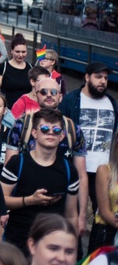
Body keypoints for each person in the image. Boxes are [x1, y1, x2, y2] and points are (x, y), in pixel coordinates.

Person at [0, 109, 80, 254]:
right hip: (16, 241)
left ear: (62, 136)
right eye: (44, 129)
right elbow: (0, 200)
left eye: (56, 130)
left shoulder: (70, 170)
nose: (50, 133)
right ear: (34, 133)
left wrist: (72, 248)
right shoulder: (17, 163)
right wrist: (29, 200)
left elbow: (71, 215)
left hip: (52, 244)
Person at [59, 60, 118, 219]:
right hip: (77, 168)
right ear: (87, 77)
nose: (103, 82)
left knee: (104, 215)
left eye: (105, 78)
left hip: (105, 170)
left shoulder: (112, 103)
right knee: (73, 214)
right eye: (98, 77)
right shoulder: (71, 100)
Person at [0, 34, 32, 108]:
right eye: (17, 52)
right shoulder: (1, 68)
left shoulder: (31, 68)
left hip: (26, 111)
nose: (21, 55)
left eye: (23, 52)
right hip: (7, 110)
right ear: (11, 51)